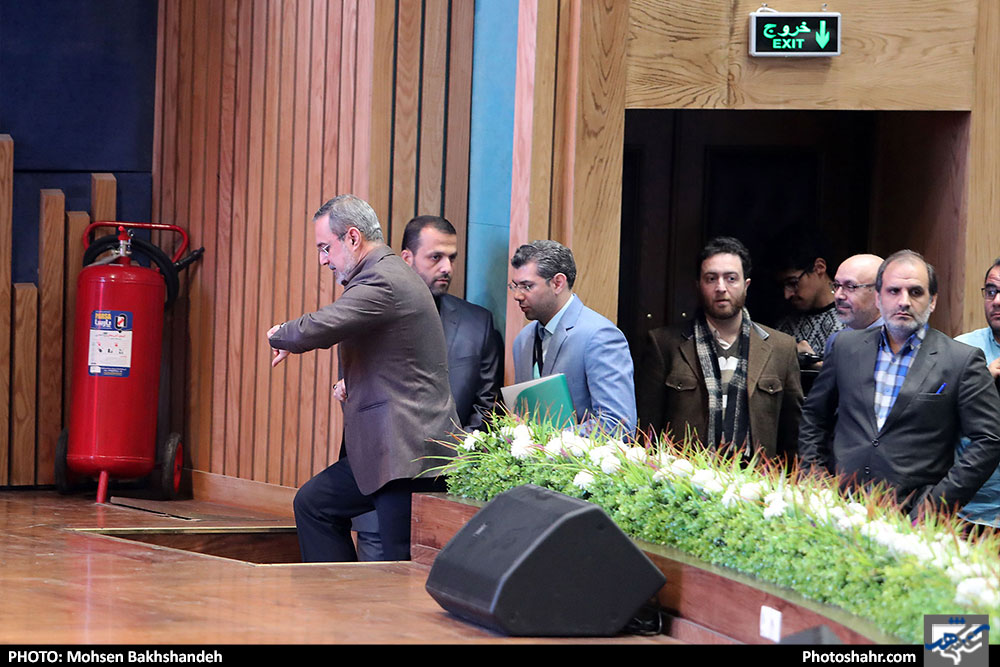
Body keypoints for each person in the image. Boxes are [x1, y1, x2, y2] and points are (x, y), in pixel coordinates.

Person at [267, 194, 458, 562]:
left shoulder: (383, 278)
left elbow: (328, 322)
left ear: (353, 238)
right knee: (314, 505)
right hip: (387, 449)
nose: (323, 260)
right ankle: (339, 596)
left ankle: (357, 598)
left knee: (401, 566)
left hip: (408, 451)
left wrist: (282, 335)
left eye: (325, 247)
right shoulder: (382, 274)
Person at [798, 250, 1000, 518]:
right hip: (836, 506)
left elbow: (988, 439)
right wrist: (815, 477)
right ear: (878, 298)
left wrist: (935, 506)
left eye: (915, 292)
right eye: (893, 291)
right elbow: (814, 416)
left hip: (911, 517)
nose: (904, 301)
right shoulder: (845, 347)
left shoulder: (960, 359)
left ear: (932, 301)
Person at [351, 214, 504, 560]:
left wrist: (453, 459)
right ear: (407, 258)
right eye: (436, 257)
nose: (447, 267)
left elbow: (486, 407)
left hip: (445, 492)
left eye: (452, 257)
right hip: (384, 480)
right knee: (373, 583)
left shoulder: (477, 323)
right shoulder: (373, 313)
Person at [636, 236, 802, 459]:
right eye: (711, 279)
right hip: (683, 475)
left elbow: (794, 435)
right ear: (698, 285)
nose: (721, 288)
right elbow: (646, 431)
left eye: (731, 278)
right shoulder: (664, 344)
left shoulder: (781, 347)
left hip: (756, 476)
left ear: (746, 285)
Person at [509, 240, 636, 435]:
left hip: (577, 455)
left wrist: (550, 441)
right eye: (514, 286)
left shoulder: (600, 336)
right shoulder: (523, 339)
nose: (517, 295)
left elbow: (618, 425)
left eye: (527, 286)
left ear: (557, 283)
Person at [953, 258, 1000, 526]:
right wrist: (982, 383)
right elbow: (934, 424)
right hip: (968, 509)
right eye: (991, 291)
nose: (997, 301)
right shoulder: (962, 349)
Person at [774, 243, 844, 362]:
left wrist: (810, 361)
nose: (787, 294)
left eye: (793, 283)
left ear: (819, 268)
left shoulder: (853, 320)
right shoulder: (783, 326)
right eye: (782, 286)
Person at [823, 253, 884, 356]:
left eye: (850, 286)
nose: (838, 295)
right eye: (837, 285)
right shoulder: (836, 342)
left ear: (880, 291)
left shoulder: (897, 341)